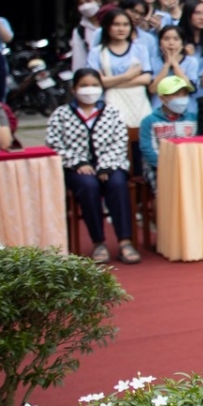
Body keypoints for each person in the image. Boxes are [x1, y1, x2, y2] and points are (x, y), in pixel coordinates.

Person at [47, 68, 138, 264]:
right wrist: (78, 162)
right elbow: (54, 144)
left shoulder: (112, 112)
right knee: (89, 186)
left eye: (94, 85)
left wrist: (106, 166)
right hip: (76, 167)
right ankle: (98, 242)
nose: (90, 90)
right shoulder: (61, 114)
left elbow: (119, 142)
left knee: (117, 184)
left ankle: (125, 241)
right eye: (84, 86)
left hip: (111, 164)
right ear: (74, 89)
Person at [138, 75, 198, 187]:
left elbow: (198, 145)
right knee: (169, 184)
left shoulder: (193, 119)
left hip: (188, 164)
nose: (182, 99)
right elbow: (147, 149)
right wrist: (166, 164)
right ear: (162, 98)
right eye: (176, 95)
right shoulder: (149, 121)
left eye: (184, 94)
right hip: (158, 165)